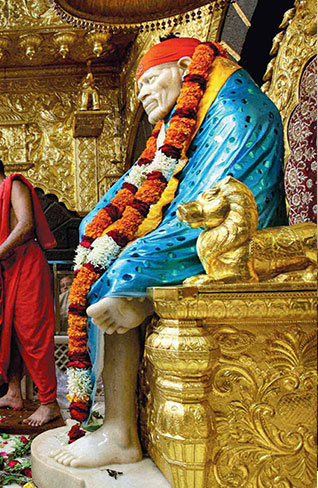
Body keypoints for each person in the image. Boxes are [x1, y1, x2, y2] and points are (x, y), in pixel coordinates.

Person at [51, 37, 287, 467]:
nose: (142, 93)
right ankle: (119, 414)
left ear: (185, 67)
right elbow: (133, 195)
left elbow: (218, 205)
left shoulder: (237, 111)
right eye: (138, 85)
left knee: (123, 269)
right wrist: (100, 228)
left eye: (149, 80)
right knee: (100, 240)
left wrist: (136, 264)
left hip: (237, 237)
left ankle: (120, 432)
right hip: (201, 221)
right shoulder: (184, 121)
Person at [0, 152, 59, 427]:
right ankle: (14, 392)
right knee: (10, 334)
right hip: (8, 272)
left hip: (28, 267)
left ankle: (49, 403)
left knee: (33, 333)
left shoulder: (14, 184)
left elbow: (26, 225)